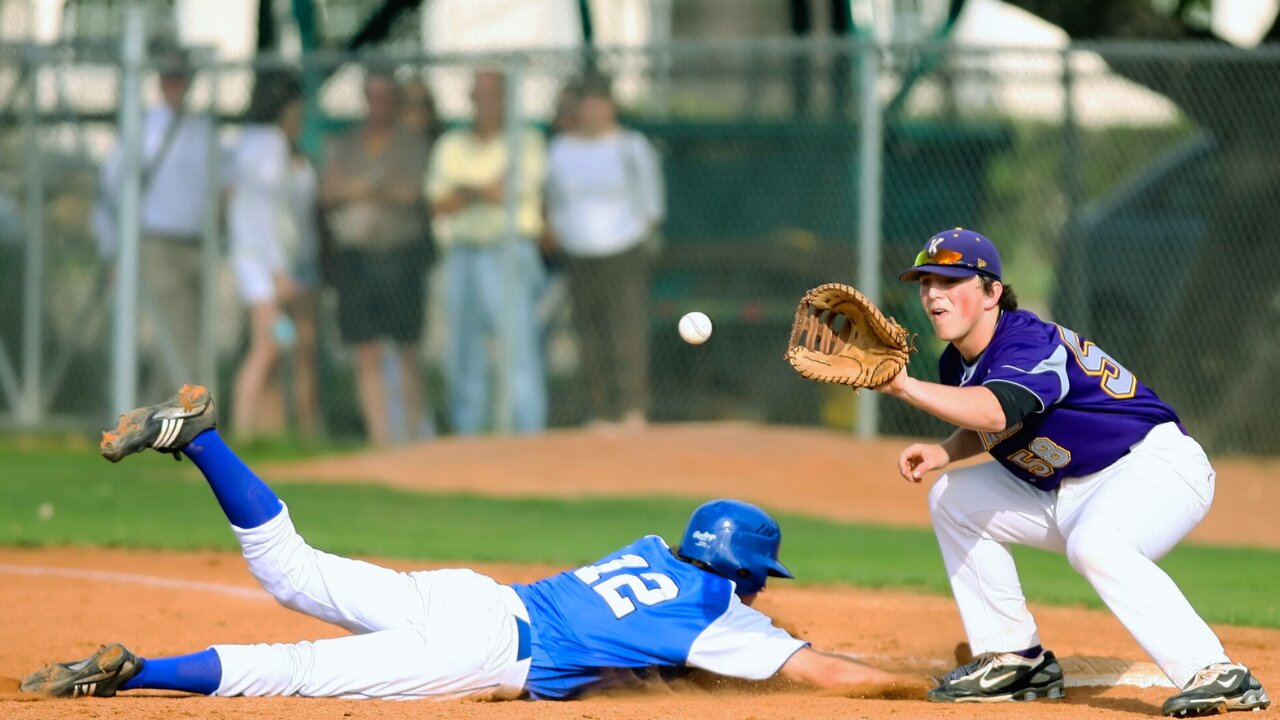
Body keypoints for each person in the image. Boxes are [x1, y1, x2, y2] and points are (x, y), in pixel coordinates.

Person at [20, 384, 923, 702]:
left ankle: (201, 437)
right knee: (290, 668)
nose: (760, 596)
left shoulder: (652, 550)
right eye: (759, 580)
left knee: (289, 569)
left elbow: (644, 651)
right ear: (743, 574)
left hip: (471, 595)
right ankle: (133, 674)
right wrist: (933, 687)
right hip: (485, 648)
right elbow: (827, 675)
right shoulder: (716, 617)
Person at [875, 227, 1271, 717]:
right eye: (925, 282)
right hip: (1069, 488)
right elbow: (1002, 421)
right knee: (952, 496)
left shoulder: (1028, 342)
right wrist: (945, 452)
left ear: (992, 292)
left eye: (950, 280)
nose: (934, 293)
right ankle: (1016, 660)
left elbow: (1000, 409)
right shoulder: (955, 363)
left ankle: (1216, 671)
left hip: (1153, 466)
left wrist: (903, 387)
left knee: (1096, 544)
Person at [92, 42, 219, 400]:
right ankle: (169, 418)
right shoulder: (143, 128)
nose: (175, 84)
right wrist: (111, 249)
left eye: (181, 77)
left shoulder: (201, 128)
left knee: (194, 337)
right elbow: (110, 190)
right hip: (157, 244)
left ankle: (169, 416)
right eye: (169, 76)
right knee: (175, 339)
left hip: (197, 243)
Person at [426, 69, 548, 434]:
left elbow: (507, 193)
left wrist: (465, 191)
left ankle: (528, 434)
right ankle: (468, 436)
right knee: (463, 350)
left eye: (494, 94)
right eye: (479, 94)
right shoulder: (451, 144)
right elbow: (439, 203)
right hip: (462, 251)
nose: (486, 101)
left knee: (517, 347)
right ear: (470, 99)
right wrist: (482, 189)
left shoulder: (526, 140)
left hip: (508, 250)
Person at [544, 74, 664, 429]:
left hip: (623, 249)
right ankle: (599, 412)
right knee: (588, 333)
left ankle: (632, 409)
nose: (594, 112)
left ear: (611, 107)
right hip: (578, 252)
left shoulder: (631, 147)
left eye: (600, 104)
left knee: (626, 330)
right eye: (587, 105)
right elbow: (552, 202)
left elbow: (651, 203)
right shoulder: (561, 149)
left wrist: (638, 235)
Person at [320, 70, 433, 447]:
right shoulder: (346, 142)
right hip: (355, 259)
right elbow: (329, 191)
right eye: (373, 95)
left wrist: (359, 188)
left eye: (387, 96)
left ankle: (414, 436)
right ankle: (382, 441)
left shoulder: (412, 144)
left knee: (407, 349)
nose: (379, 104)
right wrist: (376, 185)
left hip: (400, 256)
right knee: (365, 349)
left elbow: (409, 193)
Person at [227, 68, 320, 440]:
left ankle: (269, 433)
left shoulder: (250, 143)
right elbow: (265, 216)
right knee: (266, 349)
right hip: (261, 265)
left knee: (282, 346)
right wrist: (280, 272)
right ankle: (242, 433)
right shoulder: (269, 146)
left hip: (264, 261)